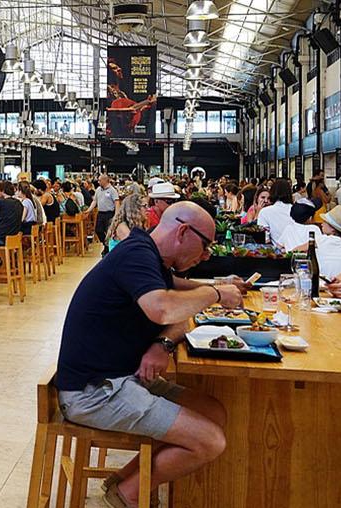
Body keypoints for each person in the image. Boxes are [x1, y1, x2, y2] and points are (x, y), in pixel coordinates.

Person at [55, 202, 237, 508]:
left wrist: (161, 344)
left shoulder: (150, 256)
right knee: (210, 441)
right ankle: (129, 495)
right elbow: (164, 307)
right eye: (205, 245)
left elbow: (177, 298)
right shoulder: (136, 255)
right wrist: (215, 294)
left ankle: (124, 483)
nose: (206, 255)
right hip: (95, 392)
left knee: (213, 412)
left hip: (122, 378)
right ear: (182, 231)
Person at [285, 205, 341, 279]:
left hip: (321, 284)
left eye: (325, 221)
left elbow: (294, 251)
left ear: (333, 229)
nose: (322, 223)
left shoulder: (321, 240)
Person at [93, 175, 119, 254]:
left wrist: (116, 215)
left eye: (99, 180)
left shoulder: (112, 190)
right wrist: (88, 210)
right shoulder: (98, 190)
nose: (98, 182)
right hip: (100, 213)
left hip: (109, 214)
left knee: (109, 232)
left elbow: (116, 203)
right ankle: (106, 245)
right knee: (98, 230)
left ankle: (107, 247)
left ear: (105, 181)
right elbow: (94, 201)